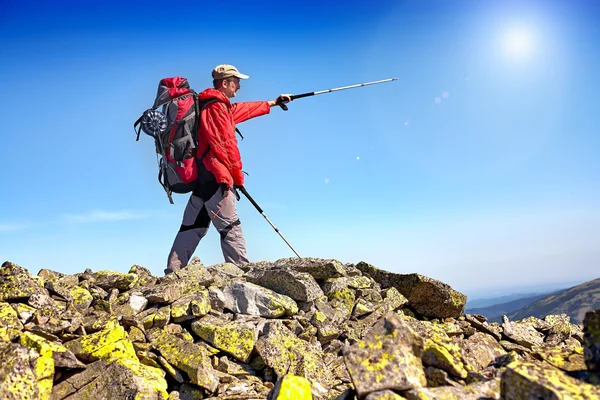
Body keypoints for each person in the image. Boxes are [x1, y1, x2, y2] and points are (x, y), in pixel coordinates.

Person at [165, 64, 292, 274]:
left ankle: (173, 272)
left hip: (202, 178)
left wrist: (274, 102)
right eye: (237, 81)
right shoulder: (215, 108)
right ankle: (240, 274)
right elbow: (225, 146)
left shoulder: (212, 105)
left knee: (191, 227)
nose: (239, 86)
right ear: (225, 83)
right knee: (231, 227)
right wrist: (238, 178)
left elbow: (243, 109)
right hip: (216, 178)